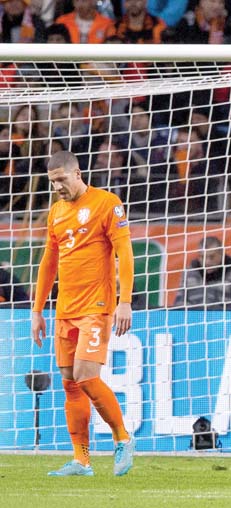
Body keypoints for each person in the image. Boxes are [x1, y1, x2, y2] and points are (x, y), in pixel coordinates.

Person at [30, 151, 135, 477]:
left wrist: (125, 300)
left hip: (96, 306)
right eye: (52, 182)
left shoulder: (107, 203)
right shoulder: (56, 212)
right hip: (65, 309)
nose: (58, 187)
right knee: (70, 384)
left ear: (78, 174)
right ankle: (82, 460)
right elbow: (49, 262)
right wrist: (37, 310)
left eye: (62, 180)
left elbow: (124, 250)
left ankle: (122, 437)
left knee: (87, 377)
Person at [173, 236, 231, 309]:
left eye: (212, 257)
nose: (207, 262)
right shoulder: (189, 274)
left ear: (221, 254)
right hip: (195, 322)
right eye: (202, 257)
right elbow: (179, 303)